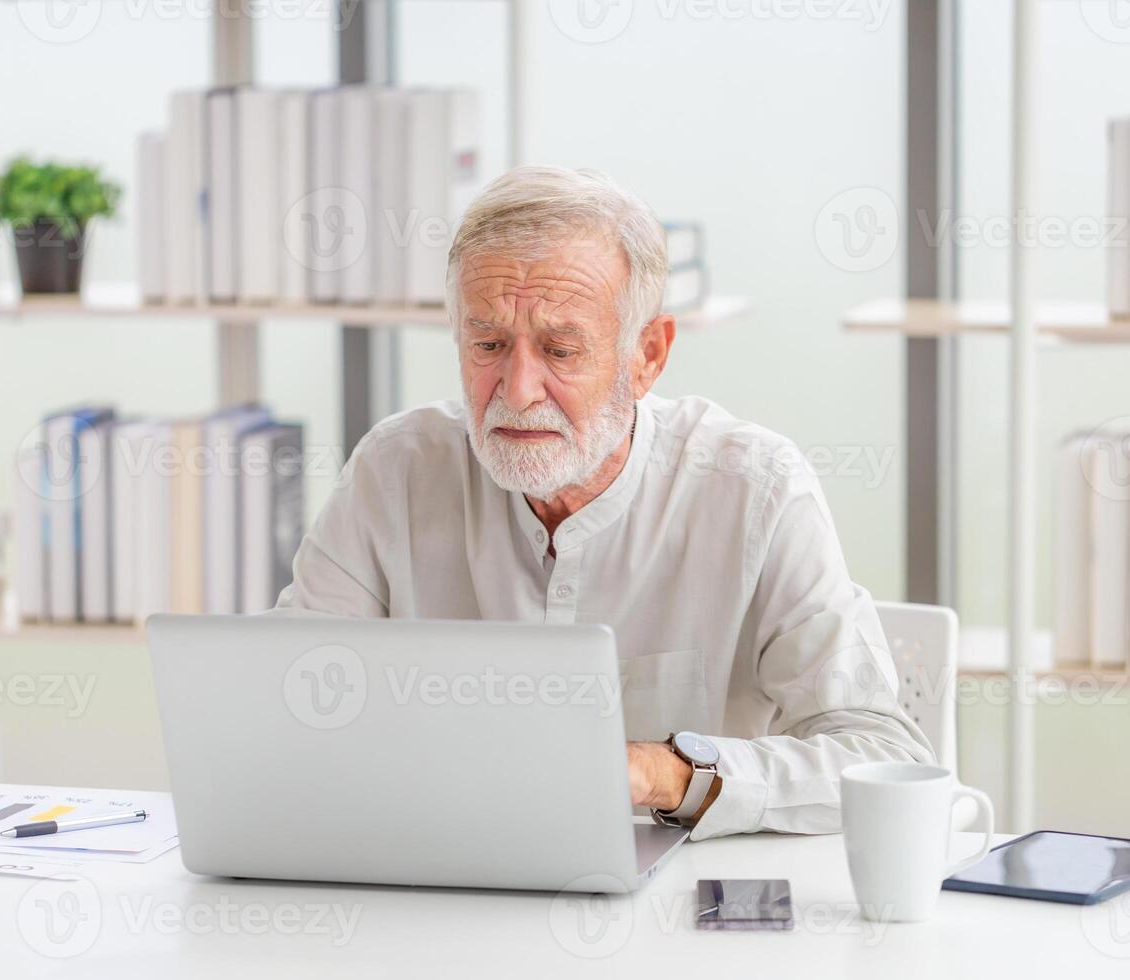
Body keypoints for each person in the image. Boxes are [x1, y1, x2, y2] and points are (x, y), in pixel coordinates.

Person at [276, 165, 933, 839]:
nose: (517, 389)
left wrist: (662, 773)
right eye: (487, 345)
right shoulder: (396, 471)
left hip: (678, 910)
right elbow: (285, 707)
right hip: (432, 885)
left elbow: (879, 756)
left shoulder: (753, 489)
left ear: (647, 354)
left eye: (560, 350)